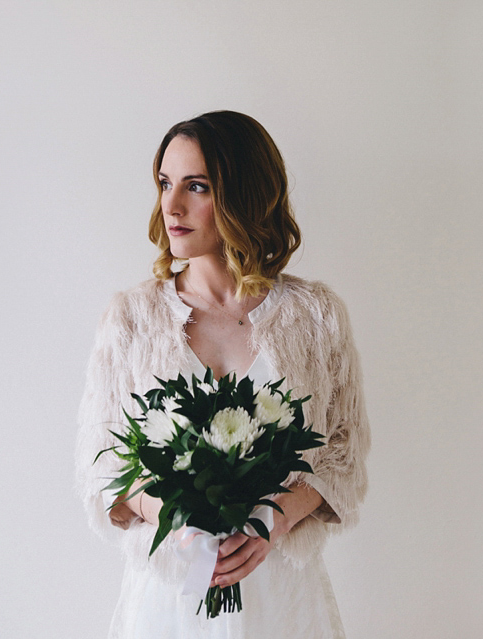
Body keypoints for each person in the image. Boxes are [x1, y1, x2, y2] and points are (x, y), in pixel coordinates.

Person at [75, 111, 370, 638]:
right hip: (171, 599)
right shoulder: (130, 319)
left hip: (281, 597)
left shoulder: (317, 317)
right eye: (165, 183)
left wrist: (273, 521)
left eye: (197, 186)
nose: (172, 205)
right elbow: (99, 467)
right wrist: (173, 517)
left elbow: (344, 456)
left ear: (242, 195)